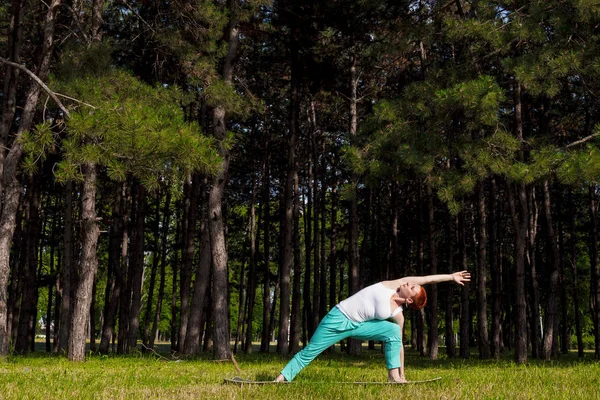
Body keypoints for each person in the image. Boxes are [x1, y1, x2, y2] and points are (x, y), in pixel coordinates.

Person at [274, 271, 471, 383]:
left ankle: (393, 377)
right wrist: (451, 276)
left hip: (358, 326)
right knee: (311, 351)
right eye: (411, 283)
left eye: (411, 286)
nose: (410, 282)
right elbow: (426, 279)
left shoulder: (398, 315)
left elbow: (399, 344)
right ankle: (282, 378)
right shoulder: (392, 284)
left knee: (394, 331)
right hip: (337, 318)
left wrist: (403, 373)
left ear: (409, 299)